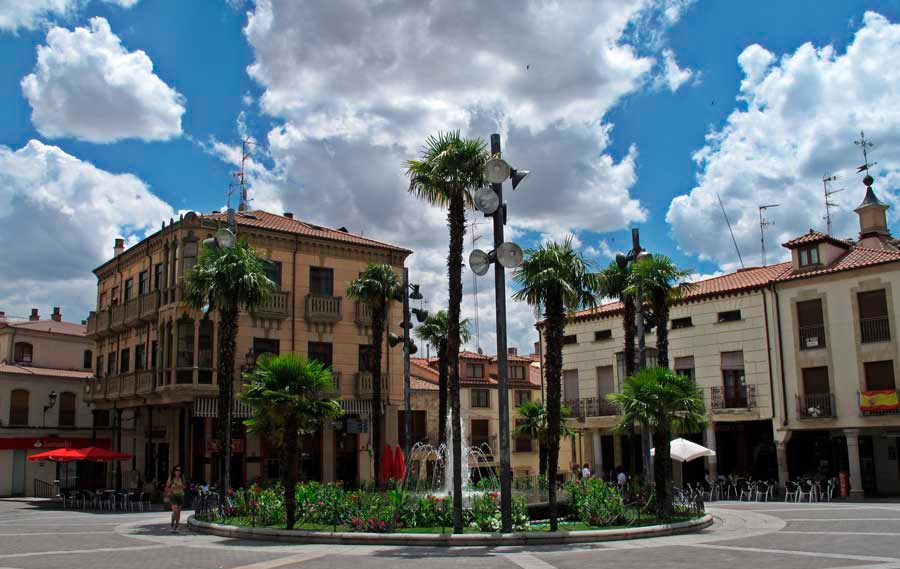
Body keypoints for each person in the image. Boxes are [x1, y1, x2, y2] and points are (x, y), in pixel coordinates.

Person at [164, 465, 186, 533]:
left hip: (180, 495)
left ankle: (177, 527)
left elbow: (185, 486)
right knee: (175, 511)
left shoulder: (182, 477)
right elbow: (166, 488)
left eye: (179, 470)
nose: (178, 471)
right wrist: (172, 488)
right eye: (176, 470)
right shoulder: (171, 478)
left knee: (178, 512)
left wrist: (181, 486)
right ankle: (172, 524)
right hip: (173, 495)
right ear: (174, 471)